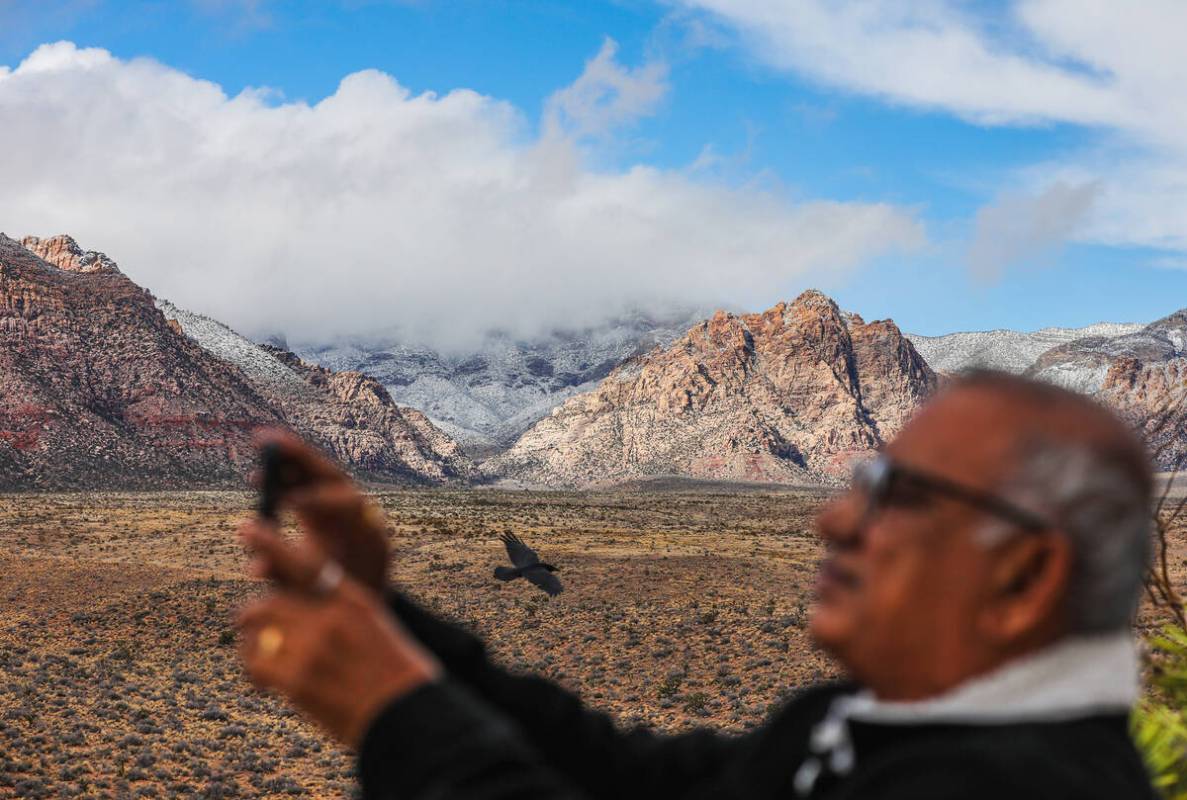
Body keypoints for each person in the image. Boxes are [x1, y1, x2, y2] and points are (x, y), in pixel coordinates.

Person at [236, 371, 1158, 798]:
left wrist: (397, 716)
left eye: (899, 496)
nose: (833, 520)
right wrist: (381, 608)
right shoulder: (859, 724)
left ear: (1026, 574)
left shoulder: (1009, 788)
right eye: (860, 485)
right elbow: (622, 775)